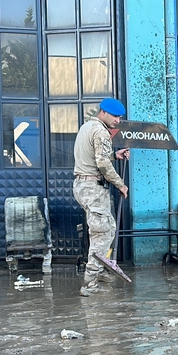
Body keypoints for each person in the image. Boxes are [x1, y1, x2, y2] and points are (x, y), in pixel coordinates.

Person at [73, 98, 130, 297]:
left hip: (84, 185)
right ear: (103, 112)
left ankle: (103, 271)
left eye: (120, 117)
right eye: (115, 116)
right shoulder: (101, 131)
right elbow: (103, 165)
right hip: (92, 188)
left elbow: (97, 157)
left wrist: (115, 155)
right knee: (102, 233)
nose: (118, 120)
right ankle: (90, 282)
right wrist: (120, 184)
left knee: (108, 227)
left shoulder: (87, 127)